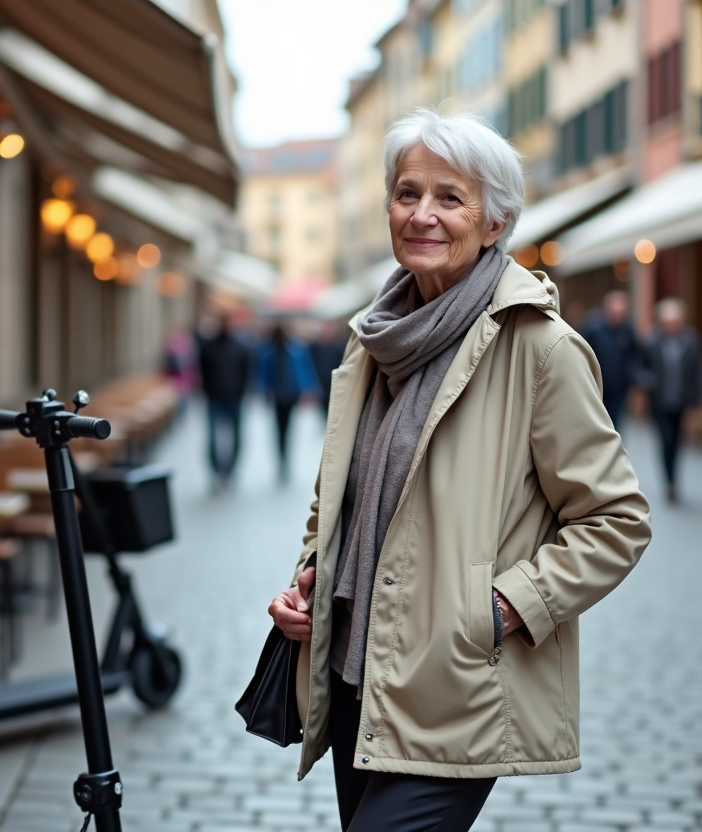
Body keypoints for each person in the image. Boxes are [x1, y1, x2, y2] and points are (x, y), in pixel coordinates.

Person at [266, 109, 652, 832]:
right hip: (356, 679)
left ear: (495, 222)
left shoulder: (539, 349)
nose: (423, 214)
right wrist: (307, 584)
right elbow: (339, 504)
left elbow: (618, 520)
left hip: (457, 688)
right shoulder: (370, 344)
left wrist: (503, 609)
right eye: (407, 193)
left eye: (450, 197)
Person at [640, 299, 702, 503]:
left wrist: (697, 399)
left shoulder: (691, 341)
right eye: (667, 321)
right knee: (666, 440)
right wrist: (647, 380)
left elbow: (697, 370)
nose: (671, 324)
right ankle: (670, 482)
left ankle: (673, 478)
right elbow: (639, 366)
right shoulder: (651, 341)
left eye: (675, 320)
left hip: (681, 401)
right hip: (659, 401)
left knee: (676, 441)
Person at [257, 324, 318, 482]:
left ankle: (284, 460)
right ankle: (282, 460)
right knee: (281, 430)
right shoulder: (272, 352)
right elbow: (264, 374)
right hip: (280, 395)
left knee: (285, 429)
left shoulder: (293, 350)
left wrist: (307, 388)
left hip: (289, 394)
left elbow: (304, 370)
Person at [197, 313, 250, 488]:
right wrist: (207, 390)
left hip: (234, 398)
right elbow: (202, 371)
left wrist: (242, 392)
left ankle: (229, 470)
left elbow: (246, 372)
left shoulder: (240, 347)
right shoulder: (208, 347)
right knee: (212, 437)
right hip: (215, 398)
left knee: (237, 437)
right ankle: (216, 470)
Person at [581, 290, 641, 429]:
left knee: (615, 421)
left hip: (620, 387)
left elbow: (634, 355)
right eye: (615, 312)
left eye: (621, 313)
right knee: (597, 420)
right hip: (596, 384)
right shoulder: (593, 329)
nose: (618, 316)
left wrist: (632, 376)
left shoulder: (627, 330)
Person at [309, 322, 348, 417]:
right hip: (320, 383)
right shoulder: (314, 347)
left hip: (334, 382)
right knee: (324, 409)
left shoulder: (338, 347)